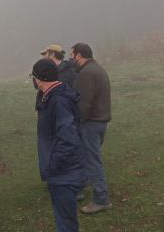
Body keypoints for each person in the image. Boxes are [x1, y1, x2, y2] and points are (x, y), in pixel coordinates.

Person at [32, 59, 86, 232]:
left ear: (39, 78)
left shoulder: (58, 101)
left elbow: (68, 140)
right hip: (60, 174)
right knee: (64, 221)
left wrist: (52, 165)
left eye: (32, 76)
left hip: (63, 174)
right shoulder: (51, 98)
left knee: (66, 225)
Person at [71, 43, 112, 214]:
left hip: (91, 124)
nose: (71, 59)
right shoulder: (98, 69)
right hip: (100, 122)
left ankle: (101, 199)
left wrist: (75, 122)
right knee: (87, 157)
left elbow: (83, 104)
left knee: (92, 161)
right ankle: (82, 185)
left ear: (79, 55)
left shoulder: (86, 74)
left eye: (72, 55)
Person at [36, 44, 77, 112]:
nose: (43, 57)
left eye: (45, 54)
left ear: (52, 55)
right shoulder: (46, 71)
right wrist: (38, 107)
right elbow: (41, 91)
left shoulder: (70, 71)